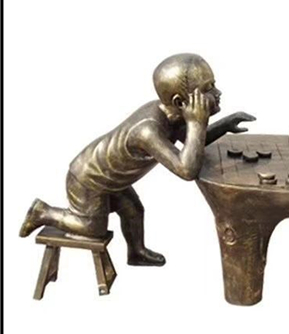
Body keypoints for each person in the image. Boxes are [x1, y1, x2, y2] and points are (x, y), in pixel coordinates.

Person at [19, 53, 255, 266]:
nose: (217, 93)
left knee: (133, 211)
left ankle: (136, 252)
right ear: (180, 102)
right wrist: (196, 123)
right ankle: (43, 212)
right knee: (92, 228)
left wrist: (225, 125)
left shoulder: (171, 115)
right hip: (88, 178)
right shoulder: (148, 131)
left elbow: (192, 146)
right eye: (208, 89)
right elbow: (186, 169)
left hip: (110, 179)